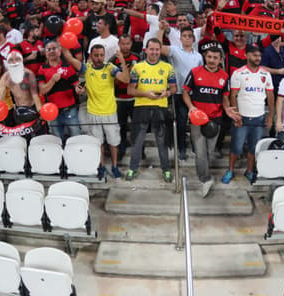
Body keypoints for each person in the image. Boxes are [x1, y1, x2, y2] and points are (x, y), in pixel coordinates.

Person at [183, 47, 239, 197]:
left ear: (220, 60)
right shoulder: (195, 72)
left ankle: (203, 173)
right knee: (200, 153)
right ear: (205, 57)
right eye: (209, 57)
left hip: (215, 121)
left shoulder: (225, 76)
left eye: (215, 58)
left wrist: (228, 110)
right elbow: (185, 93)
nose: (212, 60)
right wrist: (191, 108)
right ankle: (205, 180)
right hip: (197, 119)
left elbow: (225, 99)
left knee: (209, 152)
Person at [126, 38, 177, 182]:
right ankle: (132, 169)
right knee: (137, 140)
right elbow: (130, 90)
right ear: (146, 50)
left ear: (160, 50)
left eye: (157, 49)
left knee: (162, 141)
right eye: (151, 49)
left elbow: (174, 89)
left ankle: (166, 170)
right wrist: (145, 94)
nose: (154, 52)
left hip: (160, 108)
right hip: (141, 107)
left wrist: (165, 93)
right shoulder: (137, 67)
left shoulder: (168, 67)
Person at [222, 45, 274, 184]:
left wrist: (270, 117)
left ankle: (249, 171)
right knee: (236, 147)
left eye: (259, 56)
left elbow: (270, 96)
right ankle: (230, 170)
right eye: (255, 55)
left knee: (253, 147)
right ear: (247, 55)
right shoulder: (238, 73)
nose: (258, 58)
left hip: (259, 118)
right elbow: (233, 95)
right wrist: (236, 115)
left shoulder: (265, 74)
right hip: (242, 118)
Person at [78, 44, 130, 179]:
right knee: (98, 143)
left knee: (113, 143)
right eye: (96, 55)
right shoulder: (86, 68)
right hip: (93, 112)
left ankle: (114, 166)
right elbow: (70, 60)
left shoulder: (110, 67)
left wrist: (122, 61)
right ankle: (101, 166)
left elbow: (126, 79)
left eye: (101, 55)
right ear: (91, 56)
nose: (99, 58)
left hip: (110, 112)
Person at [157, 21, 203, 161]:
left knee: (197, 122)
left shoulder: (199, 56)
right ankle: (182, 148)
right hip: (179, 93)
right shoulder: (175, 50)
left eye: (190, 36)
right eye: (185, 36)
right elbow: (158, 47)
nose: (188, 38)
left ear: (194, 39)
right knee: (181, 122)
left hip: (194, 93)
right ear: (181, 38)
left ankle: (196, 146)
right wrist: (161, 30)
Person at [37, 40, 84, 139]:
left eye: (54, 48)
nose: (51, 51)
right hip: (52, 111)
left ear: (60, 51)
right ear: (45, 54)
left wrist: (79, 89)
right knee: (56, 140)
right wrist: (53, 80)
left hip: (70, 110)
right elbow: (42, 90)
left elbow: (77, 85)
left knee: (76, 138)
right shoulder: (42, 69)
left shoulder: (68, 66)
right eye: (48, 49)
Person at [0, 50, 43, 122]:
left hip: (32, 108)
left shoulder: (29, 74)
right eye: (11, 60)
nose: (14, 62)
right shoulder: (5, 77)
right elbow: (0, 98)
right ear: (7, 62)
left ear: (21, 60)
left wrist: (40, 111)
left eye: (17, 59)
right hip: (18, 110)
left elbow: (35, 95)